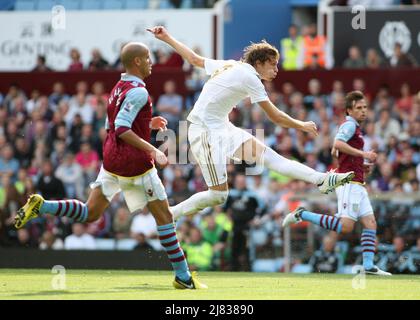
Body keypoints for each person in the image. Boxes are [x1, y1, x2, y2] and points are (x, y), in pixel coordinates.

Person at [14, 42, 206, 290]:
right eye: (147, 58)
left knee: (90, 212)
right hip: (135, 165)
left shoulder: (117, 88)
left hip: (111, 161)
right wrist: (154, 149)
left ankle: (43, 205)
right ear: (136, 61)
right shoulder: (138, 92)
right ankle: (183, 277)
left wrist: (146, 123)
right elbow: (123, 129)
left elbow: (112, 126)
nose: (151, 62)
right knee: (165, 218)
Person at [147, 26, 354, 222]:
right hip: (204, 133)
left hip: (222, 127)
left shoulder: (232, 65)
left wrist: (166, 37)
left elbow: (194, 59)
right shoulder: (250, 77)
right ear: (260, 62)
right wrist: (302, 125)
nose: (276, 69)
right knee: (218, 196)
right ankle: (171, 213)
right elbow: (276, 116)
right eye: (273, 64)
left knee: (272, 159)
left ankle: (322, 180)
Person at [283, 90, 391, 276]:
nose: (364, 111)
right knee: (346, 226)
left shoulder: (355, 127)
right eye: (359, 108)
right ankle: (303, 214)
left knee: (371, 223)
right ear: (349, 110)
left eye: (365, 107)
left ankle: (368, 266)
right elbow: (337, 143)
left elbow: (336, 152)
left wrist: (361, 165)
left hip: (357, 181)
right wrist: (363, 155)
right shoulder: (349, 125)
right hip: (348, 183)